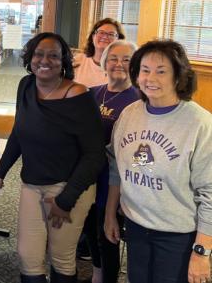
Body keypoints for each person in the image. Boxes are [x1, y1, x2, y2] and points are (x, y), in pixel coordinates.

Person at [0, 32, 105, 283]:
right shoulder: (26, 86)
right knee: (28, 256)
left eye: (54, 56)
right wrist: (0, 172)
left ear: (64, 62)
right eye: (39, 54)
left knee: (61, 257)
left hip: (69, 187)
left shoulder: (78, 95)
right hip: (32, 183)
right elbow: (18, 132)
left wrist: (65, 199)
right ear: (30, 57)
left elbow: (94, 155)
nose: (45, 60)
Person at [105, 40, 212, 283]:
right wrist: (110, 214)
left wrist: (202, 252)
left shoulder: (200, 124)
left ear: (178, 76)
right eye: (145, 70)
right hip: (135, 225)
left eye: (161, 71)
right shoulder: (130, 113)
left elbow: (210, 192)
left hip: (178, 235)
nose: (150, 78)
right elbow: (116, 169)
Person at [83, 40, 140, 283]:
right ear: (104, 62)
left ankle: (108, 278)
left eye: (126, 59)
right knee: (89, 227)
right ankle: (97, 274)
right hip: (87, 176)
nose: (119, 64)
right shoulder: (92, 93)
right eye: (114, 58)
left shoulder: (139, 100)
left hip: (115, 181)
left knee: (108, 234)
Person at [74, 18, 126, 88]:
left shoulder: (122, 67)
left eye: (111, 34)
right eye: (101, 32)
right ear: (93, 37)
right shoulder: (78, 60)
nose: (105, 36)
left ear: (118, 40)